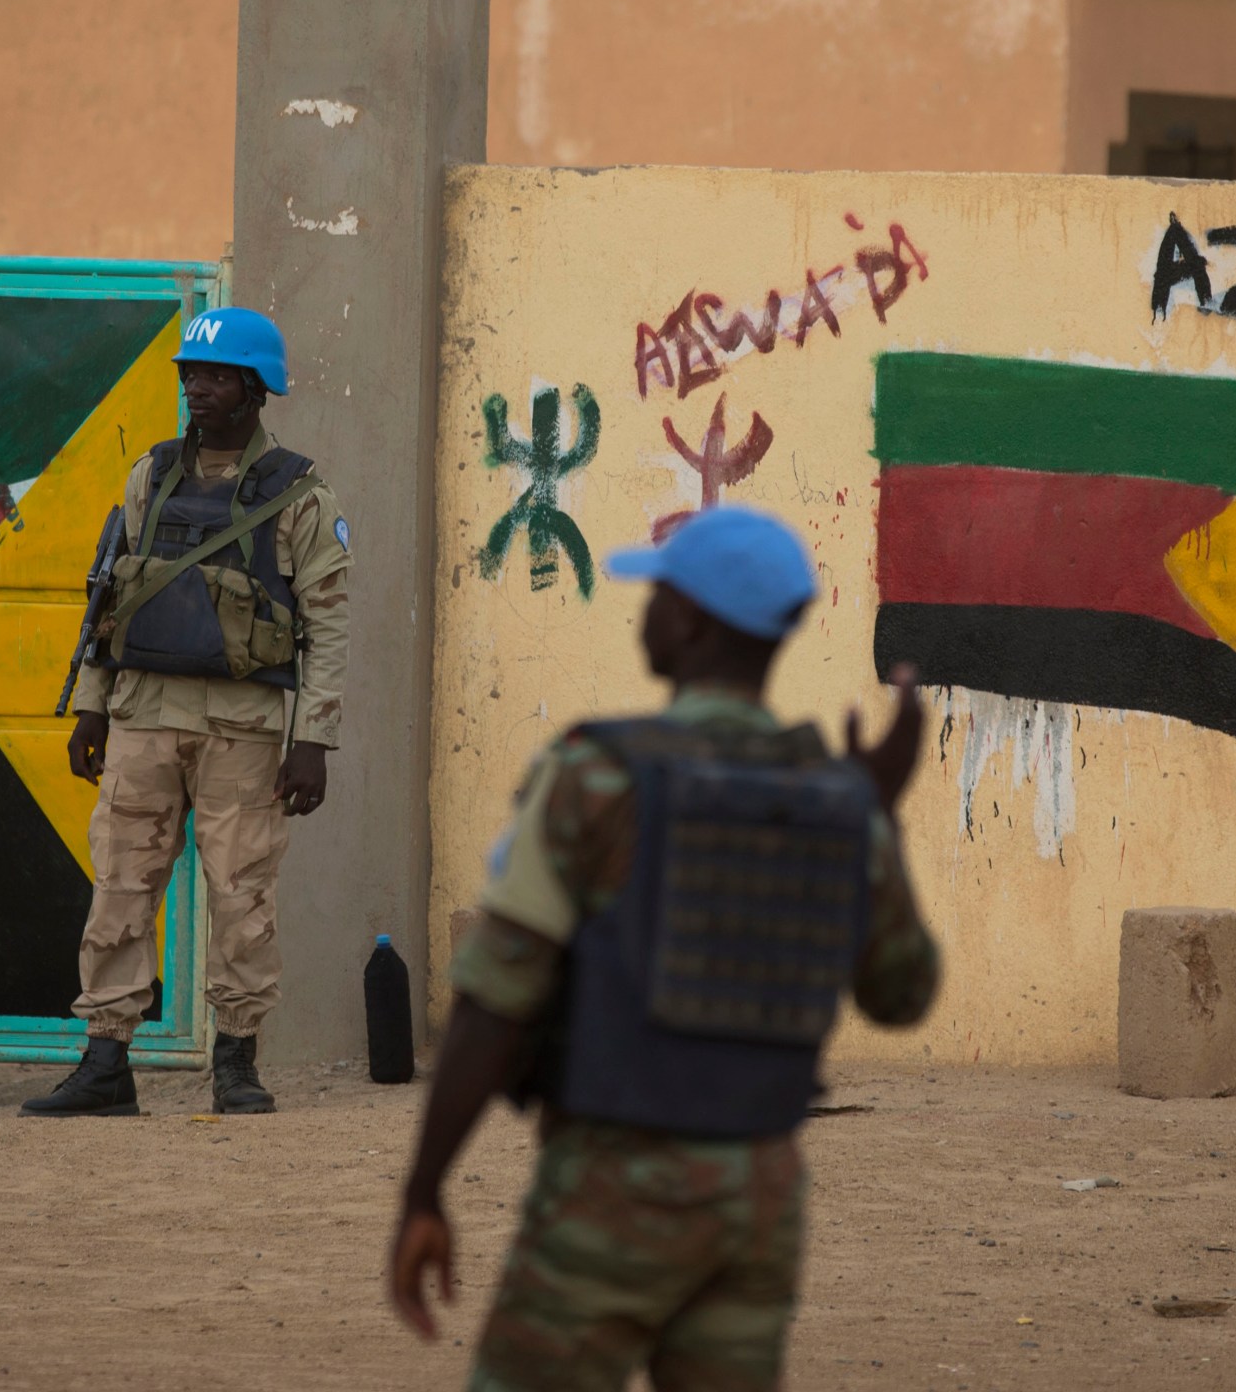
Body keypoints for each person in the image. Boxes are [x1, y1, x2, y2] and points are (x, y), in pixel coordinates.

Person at [388, 505, 940, 1390]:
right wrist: (876, 810)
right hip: (759, 1198)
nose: (644, 612)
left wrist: (425, 1189)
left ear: (686, 622)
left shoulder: (596, 776)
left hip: (614, 1187)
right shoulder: (839, 800)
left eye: (657, 596)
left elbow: (496, 1000)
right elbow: (902, 995)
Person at [20, 306, 352, 1119]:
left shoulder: (300, 493)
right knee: (121, 885)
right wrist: (92, 708)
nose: (197, 389)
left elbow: (328, 625)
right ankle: (106, 1061)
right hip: (143, 714)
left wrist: (313, 740)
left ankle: (236, 1062)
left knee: (241, 895)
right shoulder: (153, 474)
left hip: (242, 727)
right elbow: (109, 595)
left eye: (217, 376)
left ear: (256, 388)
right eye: (190, 375)